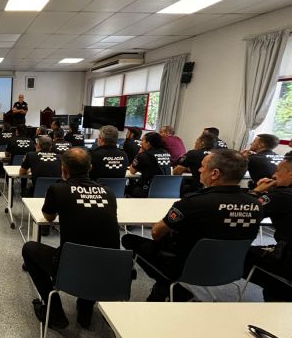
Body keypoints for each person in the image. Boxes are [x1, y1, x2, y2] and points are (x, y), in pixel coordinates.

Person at [122, 149, 263, 301]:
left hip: (186, 267)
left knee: (129, 239)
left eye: (203, 166)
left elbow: (156, 233)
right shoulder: (256, 205)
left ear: (215, 173)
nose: (199, 170)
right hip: (229, 268)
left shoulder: (193, 202)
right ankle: (166, 289)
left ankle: (165, 288)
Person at [22, 148, 119, 329]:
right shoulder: (109, 192)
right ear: (90, 167)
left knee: (29, 249)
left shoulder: (58, 189)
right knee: (94, 246)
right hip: (111, 270)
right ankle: (85, 309)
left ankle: (55, 313)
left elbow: (49, 217)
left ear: (64, 169)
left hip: (71, 267)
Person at [244, 156, 292, 301]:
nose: (273, 175)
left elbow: (245, 211)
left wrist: (257, 191)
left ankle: (277, 298)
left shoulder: (281, 196)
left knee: (240, 253)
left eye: (278, 171)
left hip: (288, 264)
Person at [127, 132, 172, 198]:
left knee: (128, 189)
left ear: (148, 143)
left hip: (147, 190)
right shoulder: (167, 153)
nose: (141, 143)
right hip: (166, 190)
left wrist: (139, 154)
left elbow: (132, 171)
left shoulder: (144, 156)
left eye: (143, 140)